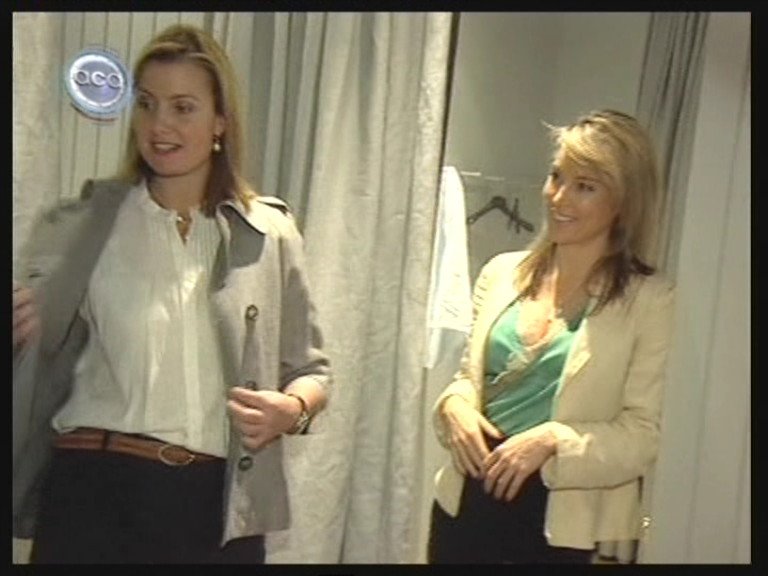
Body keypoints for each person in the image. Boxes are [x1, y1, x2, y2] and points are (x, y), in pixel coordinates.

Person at [12, 24, 331, 564]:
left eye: (183, 107)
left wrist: (292, 410)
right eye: (146, 104)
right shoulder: (82, 225)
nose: (160, 125)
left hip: (214, 505)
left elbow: (313, 370)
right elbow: (31, 363)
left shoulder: (269, 234)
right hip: (92, 492)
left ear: (220, 121)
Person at [427, 110, 675, 564]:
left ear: (623, 201)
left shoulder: (649, 300)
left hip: (555, 521)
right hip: (464, 504)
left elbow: (641, 437)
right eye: (556, 177)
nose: (559, 197)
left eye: (585, 186)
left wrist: (553, 441)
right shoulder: (502, 273)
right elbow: (468, 379)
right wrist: (454, 407)